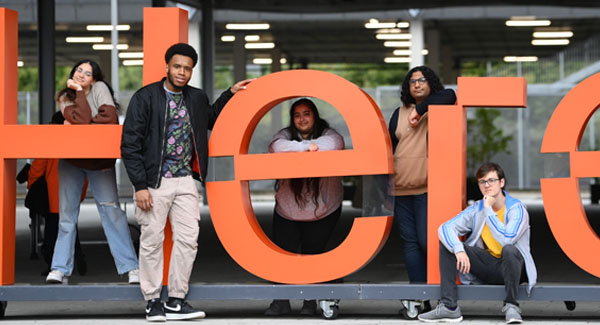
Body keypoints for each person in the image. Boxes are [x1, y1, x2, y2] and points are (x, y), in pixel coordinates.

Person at [121, 43, 252, 322]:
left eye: (187, 68)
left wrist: (229, 94)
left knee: (188, 240)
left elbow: (211, 119)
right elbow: (129, 145)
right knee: (151, 241)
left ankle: (176, 300)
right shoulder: (145, 98)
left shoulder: (196, 98)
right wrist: (140, 185)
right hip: (153, 182)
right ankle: (153, 301)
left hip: (185, 181)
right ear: (167, 67)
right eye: (177, 66)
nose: (182, 72)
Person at [46, 59, 140, 285]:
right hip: (72, 160)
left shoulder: (100, 89)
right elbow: (84, 120)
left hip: (99, 162)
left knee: (112, 214)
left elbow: (108, 119)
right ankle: (59, 269)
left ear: (94, 79)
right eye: (78, 70)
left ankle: (131, 268)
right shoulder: (65, 97)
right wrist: (78, 94)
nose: (81, 74)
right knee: (67, 216)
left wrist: (82, 123)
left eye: (87, 73)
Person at [418, 162, 537, 324]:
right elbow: (445, 228)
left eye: (491, 180)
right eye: (482, 182)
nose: (486, 185)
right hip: (489, 266)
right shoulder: (477, 209)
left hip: (514, 269)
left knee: (509, 250)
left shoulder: (517, 209)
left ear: (501, 183)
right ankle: (449, 307)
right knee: (448, 244)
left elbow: (507, 239)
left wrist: (489, 210)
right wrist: (459, 250)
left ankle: (511, 306)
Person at [264, 98, 345, 316]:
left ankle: (309, 301)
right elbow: (276, 147)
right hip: (287, 210)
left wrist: (302, 149)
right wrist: (306, 147)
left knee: (313, 255)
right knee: (282, 255)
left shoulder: (330, 134)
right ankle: (280, 301)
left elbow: (332, 146)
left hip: (323, 209)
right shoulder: (284, 135)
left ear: (315, 116)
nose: (302, 119)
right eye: (297, 115)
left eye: (306, 113)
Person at [388, 66, 456, 311]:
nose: (416, 84)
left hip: (428, 189)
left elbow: (451, 95)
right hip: (401, 189)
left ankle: (441, 293)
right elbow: (390, 148)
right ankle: (418, 297)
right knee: (410, 243)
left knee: (428, 241)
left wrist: (420, 109)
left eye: (422, 80)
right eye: (412, 81)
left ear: (431, 83)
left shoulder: (437, 106)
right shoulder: (398, 113)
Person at [28, 111, 87, 276]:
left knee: (52, 232)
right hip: (72, 194)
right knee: (70, 227)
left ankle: (53, 265)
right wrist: (81, 194)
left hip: (53, 196)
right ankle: (79, 260)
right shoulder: (77, 140)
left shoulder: (50, 139)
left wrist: (31, 185)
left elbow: (38, 167)